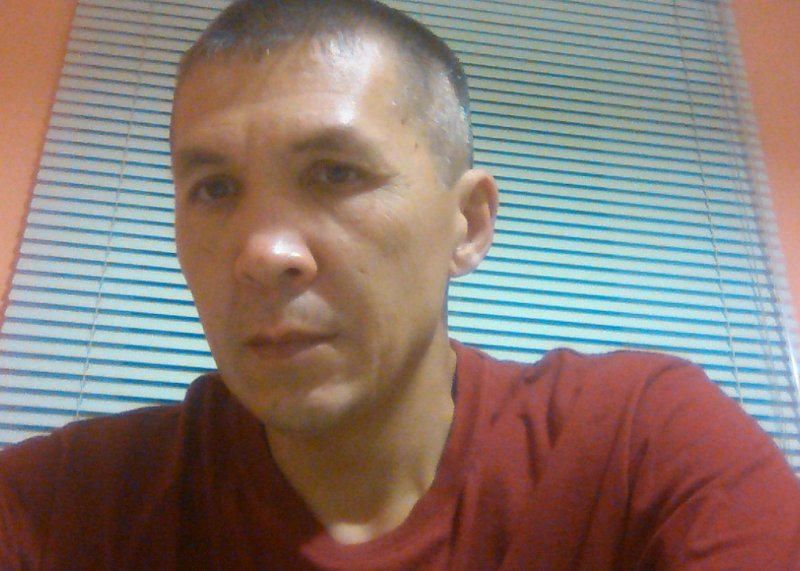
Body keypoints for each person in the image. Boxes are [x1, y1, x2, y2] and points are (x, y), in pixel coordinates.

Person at [2, 0, 799, 568]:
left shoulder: (640, 450)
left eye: (335, 172)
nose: (263, 252)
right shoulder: (65, 508)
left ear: (468, 224)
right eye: (213, 188)